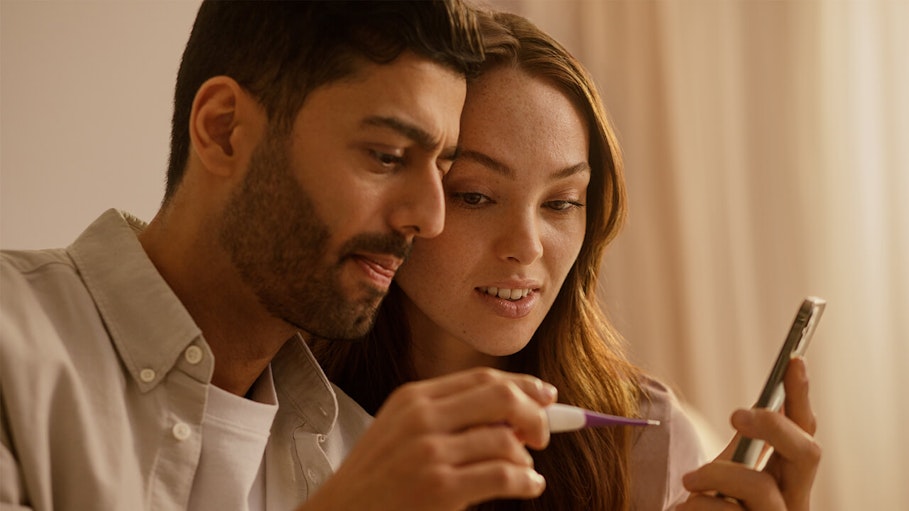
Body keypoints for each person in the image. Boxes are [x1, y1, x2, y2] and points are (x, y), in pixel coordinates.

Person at [0, 2, 561, 510]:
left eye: (443, 170)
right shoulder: (13, 348)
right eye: (387, 156)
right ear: (223, 129)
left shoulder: (364, 458)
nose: (429, 218)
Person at [311, 11, 821, 511]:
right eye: (475, 196)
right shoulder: (289, 409)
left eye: (560, 203)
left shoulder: (645, 440)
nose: (528, 245)